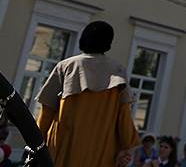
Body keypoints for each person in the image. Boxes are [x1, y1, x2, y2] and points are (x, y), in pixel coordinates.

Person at [36, 21, 141, 167]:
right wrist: (126, 147)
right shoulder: (118, 71)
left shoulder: (66, 66)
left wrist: (35, 142)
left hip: (64, 147)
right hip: (101, 150)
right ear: (108, 43)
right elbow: (124, 115)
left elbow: (46, 110)